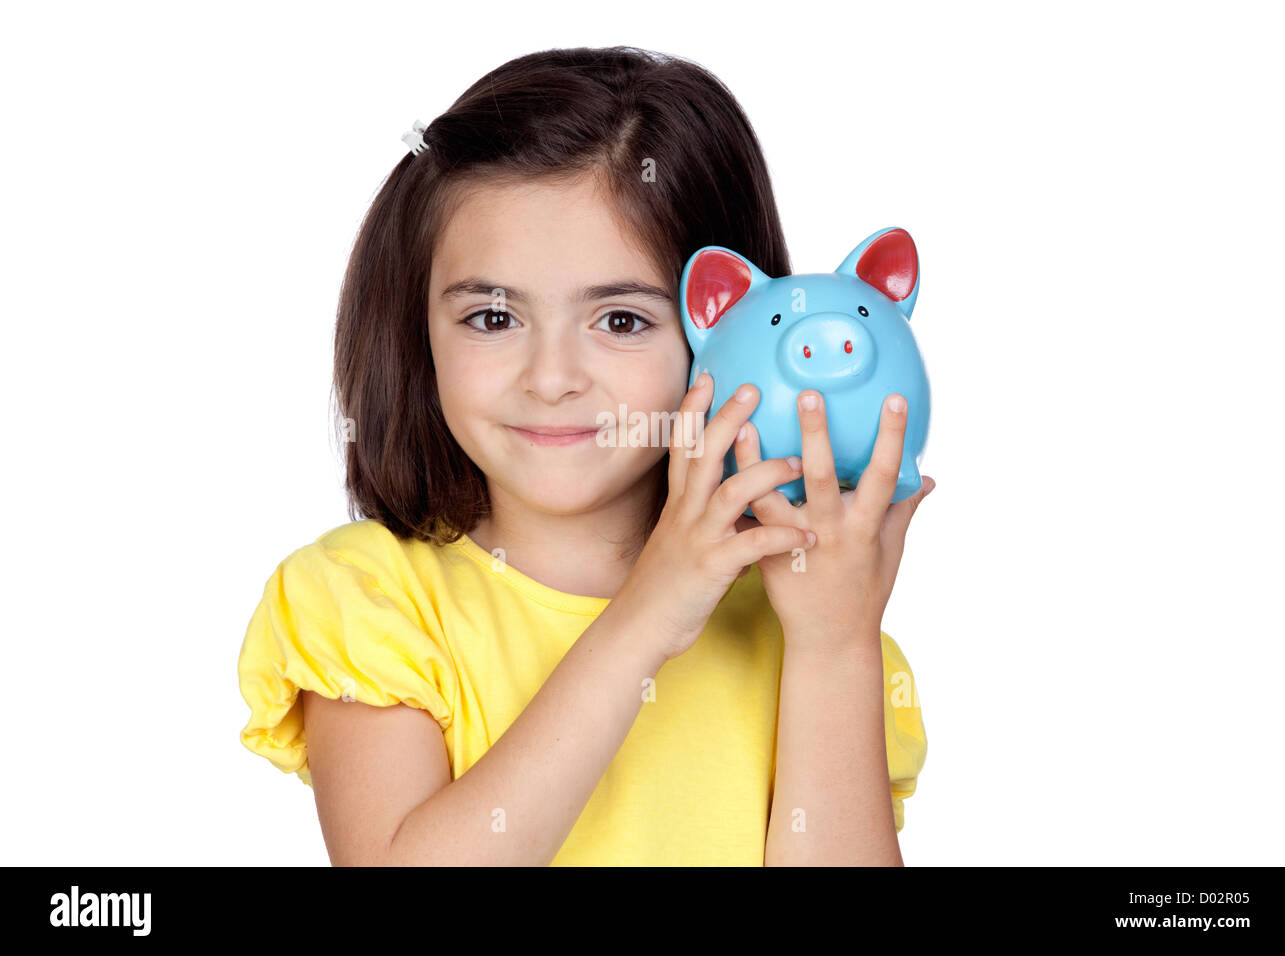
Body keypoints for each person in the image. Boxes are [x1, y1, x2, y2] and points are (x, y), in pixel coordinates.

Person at [236, 45, 932, 866]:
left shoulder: (808, 628)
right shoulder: (367, 605)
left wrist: (834, 648)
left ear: (731, 327)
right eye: (494, 319)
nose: (553, 379)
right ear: (415, 331)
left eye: (621, 321)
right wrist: (647, 614)